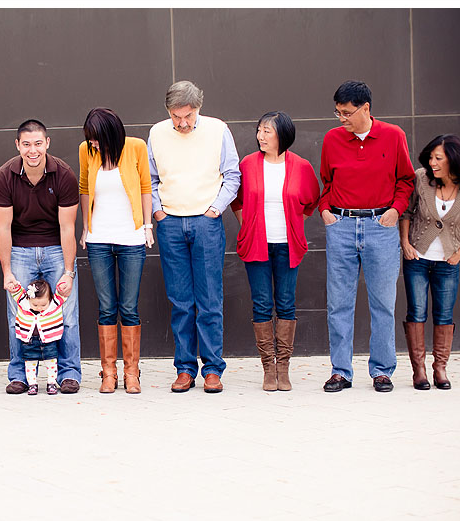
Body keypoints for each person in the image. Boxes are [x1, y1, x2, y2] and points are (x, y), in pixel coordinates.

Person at [319, 80, 415, 393]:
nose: (342, 119)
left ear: (366, 109)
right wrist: (325, 212)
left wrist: (395, 210)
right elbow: (326, 183)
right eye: (338, 113)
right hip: (342, 226)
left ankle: (382, 371)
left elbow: (406, 181)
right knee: (339, 304)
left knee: (383, 303)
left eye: (347, 113)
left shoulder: (393, 135)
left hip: (381, 226)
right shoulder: (332, 139)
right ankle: (341, 372)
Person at [147, 80, 240, 393]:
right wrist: (159, 213)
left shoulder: (217, 130)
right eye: (176, 116)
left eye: (187, 116)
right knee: (181, 301)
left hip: (206, 223)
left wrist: (214, 209)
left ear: (198, 108)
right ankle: (185, 369)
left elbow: (232, 175)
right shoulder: (157, 132)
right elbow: (151, 178)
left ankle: (213, 369)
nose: (182, 123)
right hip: (170, 223)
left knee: (210, 299)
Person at [231, 112, 320, 391]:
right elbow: (236, 199)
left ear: (283, 135)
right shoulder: (247, 164)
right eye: (259, 130)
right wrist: (248, 226)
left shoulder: (301, 166)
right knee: (261, 304)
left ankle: (284, 366)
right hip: (256, 243)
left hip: (287, 245)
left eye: (267, 131)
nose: (261, 136)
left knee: (285, 304)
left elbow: (311, 201)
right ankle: (268, 367)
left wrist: (293, 223)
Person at [0, 119, 81, 394]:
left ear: (47, 144)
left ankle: (69, 374)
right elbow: (3, 228)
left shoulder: (64, 175)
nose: (33, 150)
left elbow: (68, 227)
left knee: (66, 314)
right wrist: (7, 272)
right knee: (18, 316)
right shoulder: (4, 176)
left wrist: (68, 272)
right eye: (27, 144)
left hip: (56, 248)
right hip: (19, 250)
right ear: (18, 145)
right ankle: (18, 375)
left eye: (38, 144)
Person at [79, 108, 154, 394]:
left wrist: (147, 226)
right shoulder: (87, 151)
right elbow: (84, 188)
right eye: (90, 139)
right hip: (99, 239)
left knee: (129, 308)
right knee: (107, 307)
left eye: (96, 138)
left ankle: (131, 373)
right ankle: (108, 373)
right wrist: (86, 227)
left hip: (131, 238)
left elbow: (146, 186)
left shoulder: (136, 147)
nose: (93, 143)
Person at [399, 134, 460, 390]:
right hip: (417, 259)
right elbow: (407, 212)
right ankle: (418, 371)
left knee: (444, 315)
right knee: (416, 312)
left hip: (448, 263)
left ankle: (440, 369)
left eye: (438, 158)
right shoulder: (422, 178)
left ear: (453, 159)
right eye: (430, 157)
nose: (432, 162)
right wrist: (406, 243)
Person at [6, 278, 68, 395]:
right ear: (29, 299)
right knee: (30, 363)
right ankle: (32, 384)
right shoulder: (24, 302)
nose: (39, 308)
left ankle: (51, 383)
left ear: (49, 300)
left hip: (49, 340)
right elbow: (17, 293)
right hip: (29, 341)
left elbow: (62, 296)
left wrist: (61, 288)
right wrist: (13, 287)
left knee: (51, 362)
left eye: (43, 304)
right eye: (35, 304)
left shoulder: (53, 304)